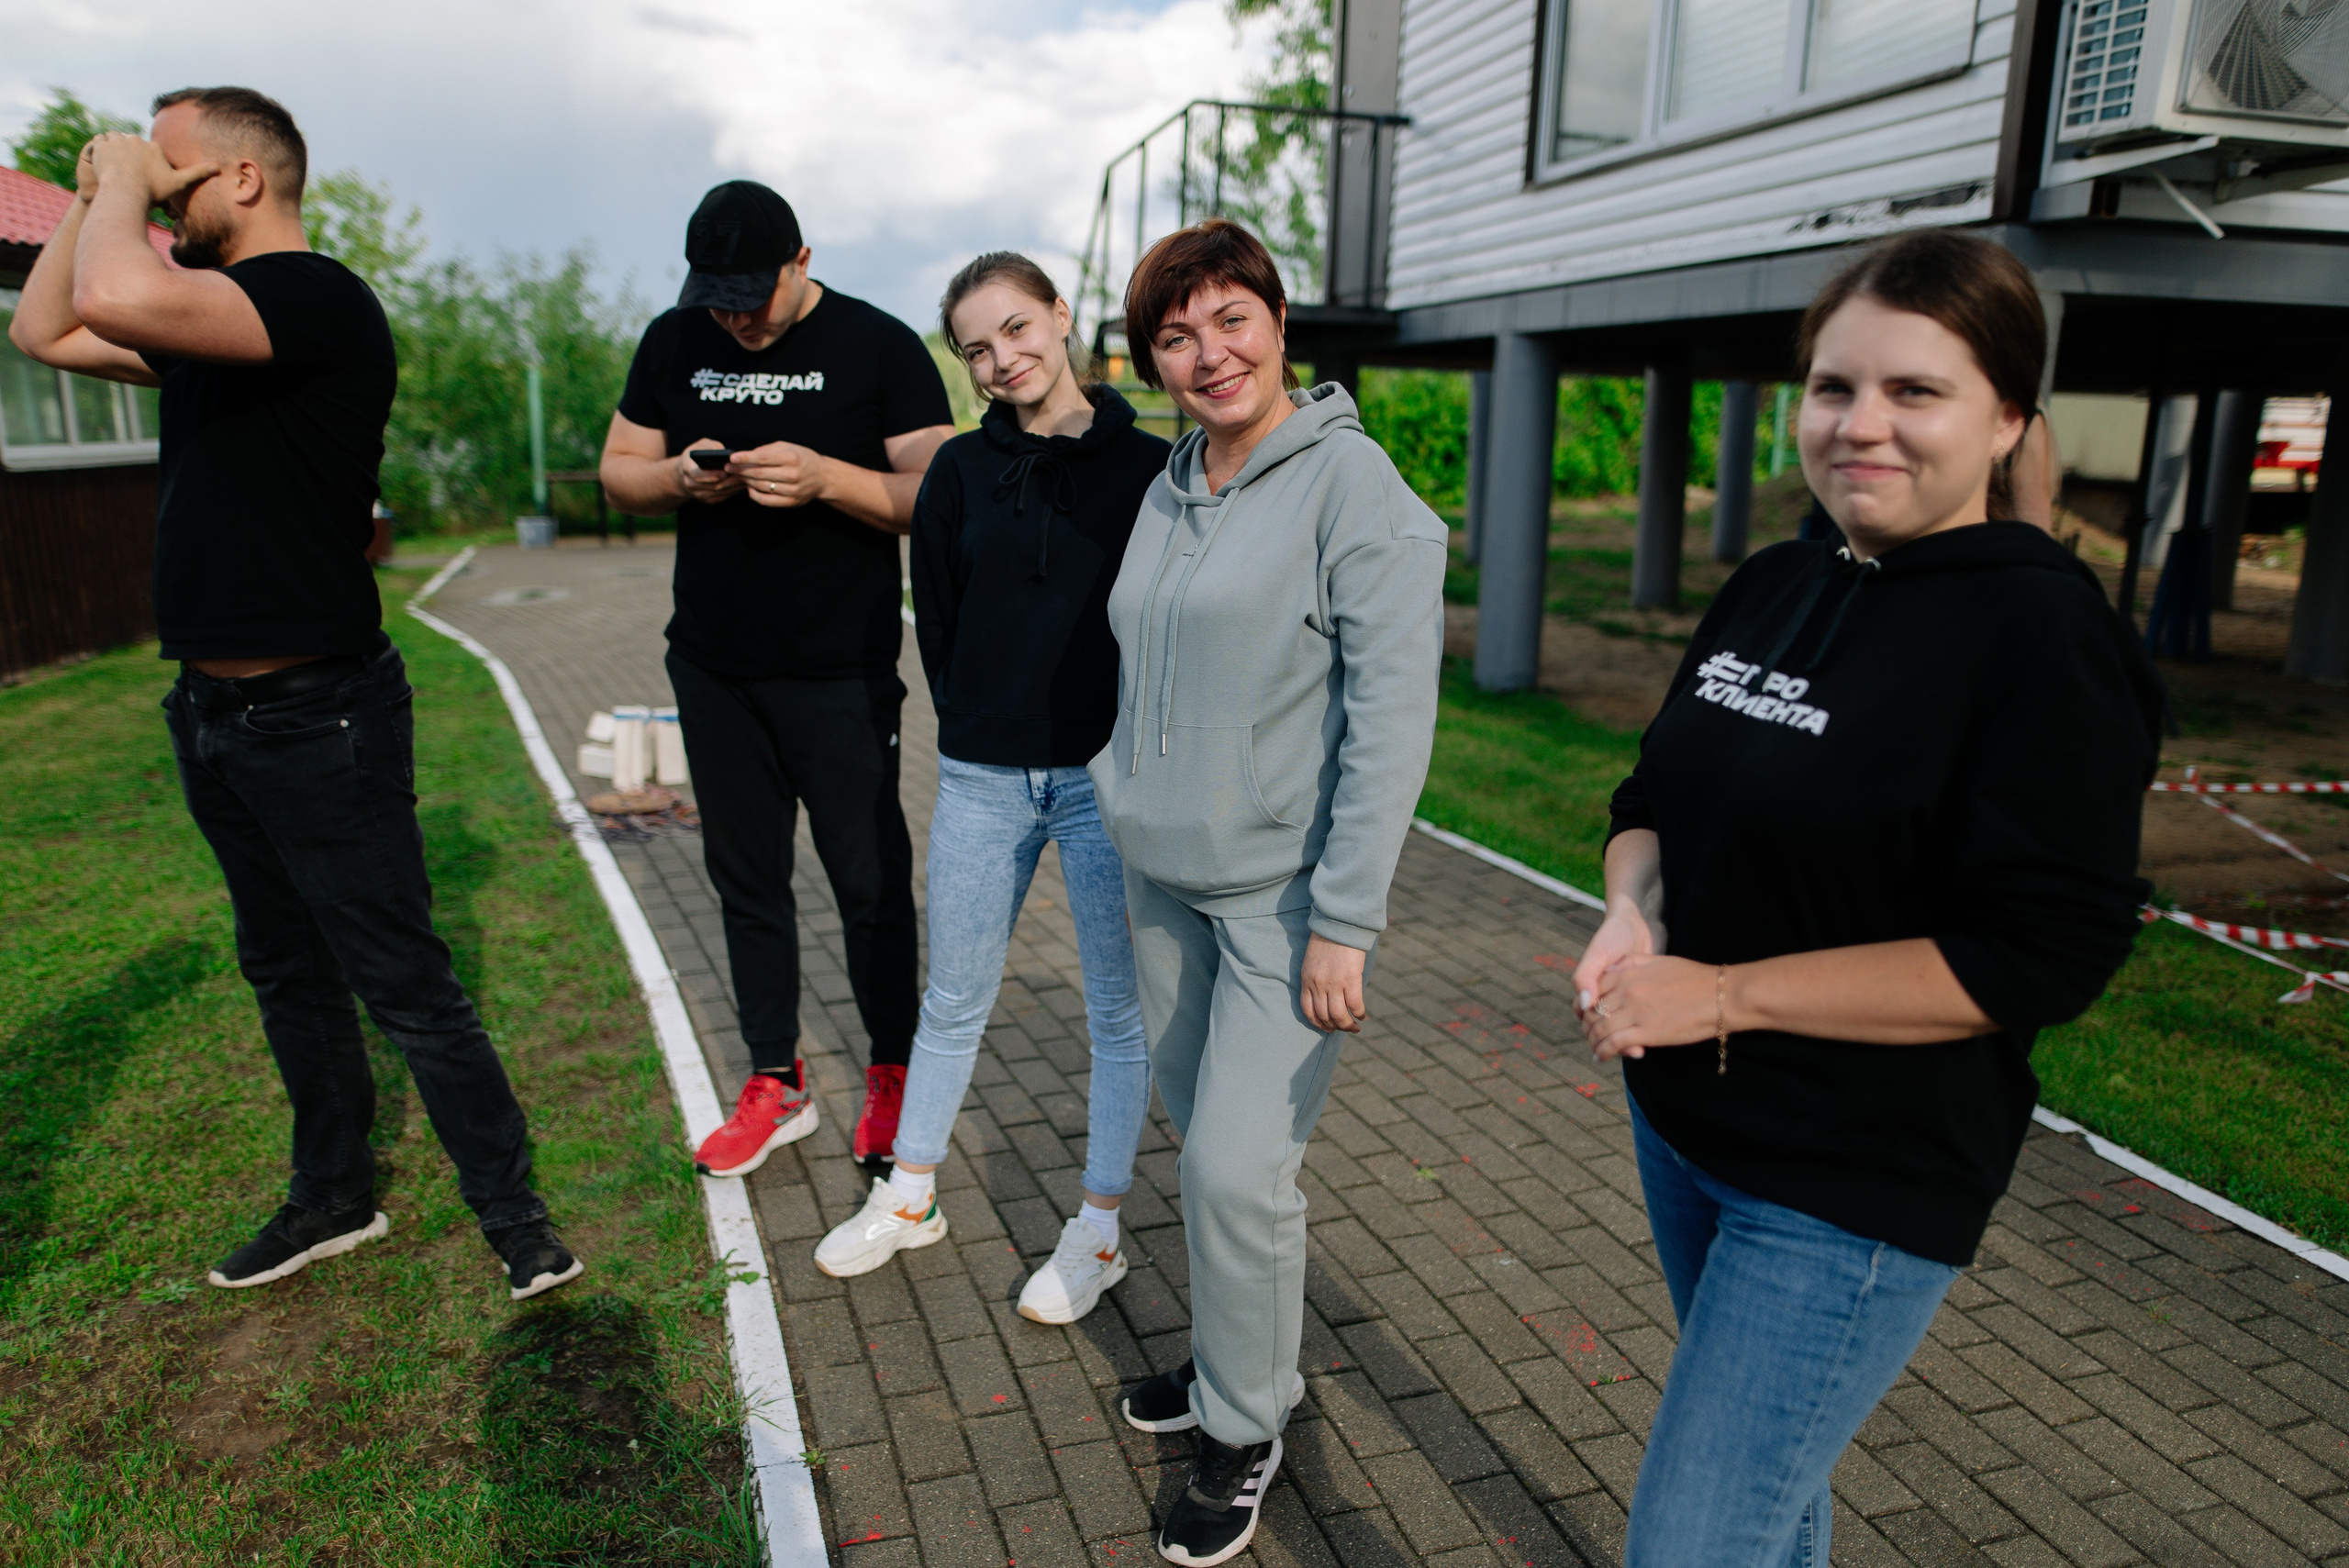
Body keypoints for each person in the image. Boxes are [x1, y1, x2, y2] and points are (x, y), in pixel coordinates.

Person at [1573, 229, 2163, 1568]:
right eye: (1834, 387)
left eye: (1915, 391)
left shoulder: (2045, 638)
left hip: (1849, 1178)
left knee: (1690, 1544)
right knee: (1772, 1503)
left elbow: (2037, 955)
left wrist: (1723, 992)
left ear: (2005, 419)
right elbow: (1649, 795)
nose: (1861, 424)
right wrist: (1633, 910)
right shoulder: (1778, 583)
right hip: (1686, 1126)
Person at [7, 87, 582, 1300]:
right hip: (211, 714)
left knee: (404, 981)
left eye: (175, 171)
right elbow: (46, 331)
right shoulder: (204, 327)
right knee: (283, 968)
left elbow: (113, 291)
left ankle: (518, 1221)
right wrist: (95, 193)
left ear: (244, 179)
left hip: (320, 714)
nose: (158, 193)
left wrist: (122, 191)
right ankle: (333, 1195)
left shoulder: (316, 298)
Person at [1090, 219, 1447, 1567]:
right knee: (1214, 1160)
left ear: (1279, 324)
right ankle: (1237, 1359)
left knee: (1238, 1171)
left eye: (1230, 319)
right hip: (1163, 876)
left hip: (1280, 902)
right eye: (1175, 337)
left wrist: (1346, 920)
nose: (1208, 355)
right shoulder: (1172, 480)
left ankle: (1246, 1426)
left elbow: (1393, 721)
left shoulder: (1353, 486)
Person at [810, 254, 1166, 1326]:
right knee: (953, 997)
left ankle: (1097, 1229)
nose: (1002, 358)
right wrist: (976, 727)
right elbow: (941, 618)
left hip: (1104, 780)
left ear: (1059, 316)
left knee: (1118, 1014)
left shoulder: (1154, 468)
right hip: (981, 777)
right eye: (976, 347)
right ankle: (910, 1193)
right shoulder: (960, 470)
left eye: (1015, 328)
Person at [598, 182, 956, 1177]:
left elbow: (939, 492)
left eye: (751, 296)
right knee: (745, 878)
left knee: (869, 883)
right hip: (715, 667)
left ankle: (892, 1070)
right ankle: (774, 1077)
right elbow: (619, 467)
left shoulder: (877, 345)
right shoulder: (674, 339)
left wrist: (826, 478)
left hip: (839, 672)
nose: (734, 319)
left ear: (801, 260)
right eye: (716, 300)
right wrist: (679, 476)